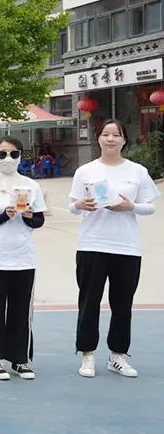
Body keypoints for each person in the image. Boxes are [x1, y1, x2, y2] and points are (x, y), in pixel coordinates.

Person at [69, 119, 159, 378]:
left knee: (122, 303)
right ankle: (87, 354)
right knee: (89, 301)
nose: (110, 139)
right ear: (98, 138)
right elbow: (73, 206)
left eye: (116, 135)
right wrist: (81, 205)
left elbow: (150, 206)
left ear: (123, 140)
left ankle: (117, 355)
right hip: (92, 244)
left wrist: (131, 207)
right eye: (105, 134)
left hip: (126, 246)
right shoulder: (85, 171)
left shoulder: (137, 171)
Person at [0, 137, 46, 381]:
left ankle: (19, 358)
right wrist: (4, 215)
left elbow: (39, 220)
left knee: (20, 310)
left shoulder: (30, 186)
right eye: (2, 154)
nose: (8, 159)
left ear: (21, 156)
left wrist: (29, 216)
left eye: (13, 154)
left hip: (23, 257)